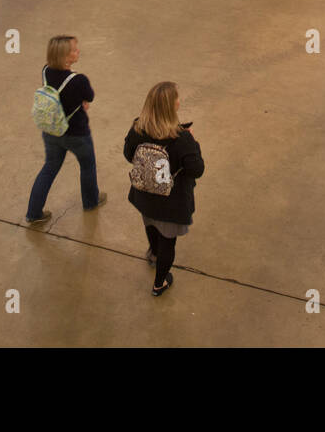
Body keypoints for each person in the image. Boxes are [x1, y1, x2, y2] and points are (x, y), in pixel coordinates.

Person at [123, 82, 204, 297]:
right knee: (168, 241)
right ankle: (160, 283)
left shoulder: (138, 128)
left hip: (144, 196)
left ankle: (154, 254)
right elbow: (197, 170)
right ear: (170, 107)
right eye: (177, 98)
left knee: (150, 223)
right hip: (171, 203)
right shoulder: (182, 139)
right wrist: (194, 142)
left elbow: (128, 154)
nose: (179, 101)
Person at [25, 35, 106, 225]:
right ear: (66, 56)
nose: (78, 51)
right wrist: (82, 101)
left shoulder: (45, 71)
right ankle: (90, 201)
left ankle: (33, 212)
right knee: (87, 165)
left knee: (49, 168)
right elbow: (90, 96)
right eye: (75, 50)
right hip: (76, 134)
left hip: (51, 131)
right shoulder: (78, 80)